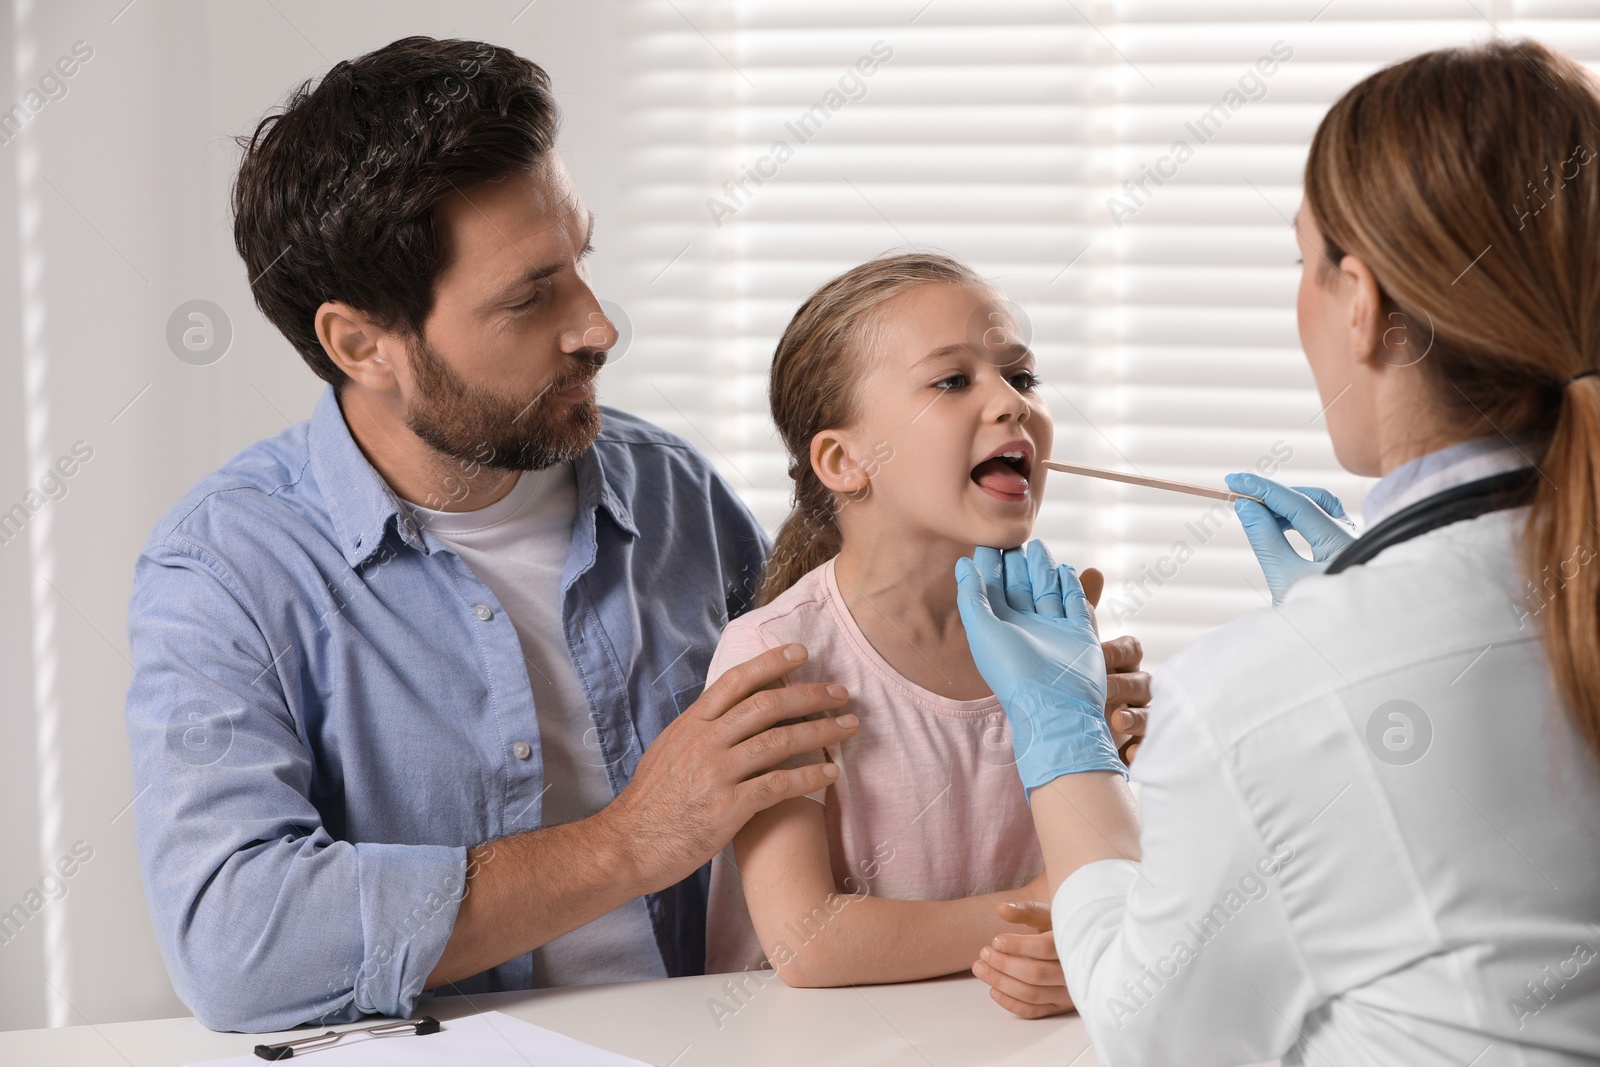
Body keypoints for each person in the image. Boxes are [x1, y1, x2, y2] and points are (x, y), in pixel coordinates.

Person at [123, 37, 859, 1032]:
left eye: (579, 265)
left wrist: (1013, 703)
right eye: (528, 296)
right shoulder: (225, 570)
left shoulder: (671, 488)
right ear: (360, 343)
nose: (597, 325)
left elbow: (838, 753)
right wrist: (629, 841)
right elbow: (237, 941)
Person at [955, 39, 1600, 1065]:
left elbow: (1147, 1024)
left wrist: (1059, 735)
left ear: (1363, 302)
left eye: (1303, 260)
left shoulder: (1263, 696)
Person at [701, 254, 1150, 1017]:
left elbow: (1113, 887)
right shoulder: (781, 656)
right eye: (952, 380)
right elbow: (811, 940)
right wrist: (1053, 908)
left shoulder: (1051, 638)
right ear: (844, 461)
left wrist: (1076, 952)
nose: (1010, 403)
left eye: (1021, 377)